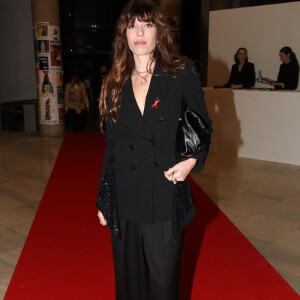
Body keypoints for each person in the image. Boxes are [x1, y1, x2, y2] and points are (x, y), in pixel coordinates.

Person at [96, 0, 212, 299]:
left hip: (164, 190)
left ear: (159, 31)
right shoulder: (114, 82)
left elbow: (202, 124)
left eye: (147, 24)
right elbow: (111, 148)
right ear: (124, 34)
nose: (140, 32)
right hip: (124, 194)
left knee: (164, 283)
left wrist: (191, 161)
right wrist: (104, 199)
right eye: (132, 25)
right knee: (129, 283)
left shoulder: (180, 72)